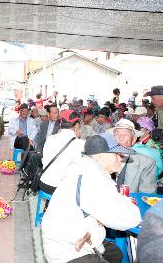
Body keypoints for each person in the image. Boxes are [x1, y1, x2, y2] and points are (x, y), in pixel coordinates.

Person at [42, 134, 141, 263]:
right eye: (117, 154)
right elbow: (129, 219)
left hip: (76, 236)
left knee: (116, 254)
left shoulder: (85, 168)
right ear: (101, 155)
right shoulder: (93, 178)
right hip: (69, 250)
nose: (120, 159)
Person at [40, 110, 85, 194]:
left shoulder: (50, 138)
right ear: (77, 125)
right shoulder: (80, 144)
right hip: (61, 189)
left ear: (60, 124)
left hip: (45, 183)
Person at [113, 119, 157, 193]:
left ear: (133, 139)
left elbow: (145, 197)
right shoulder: (102, 158)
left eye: (126, 135)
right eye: (117, 134)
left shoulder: (146, 163)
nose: (120, 138)